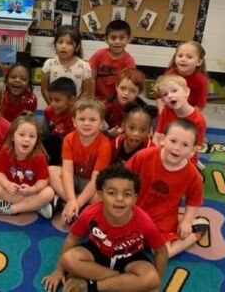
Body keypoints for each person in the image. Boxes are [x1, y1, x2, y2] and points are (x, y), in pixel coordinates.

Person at [42, 164, 167, 292]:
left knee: (152, 278)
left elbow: (161, 251)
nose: (119, 199)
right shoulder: (90, 214)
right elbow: (72, 239)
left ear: (135, 199)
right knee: (67, 259)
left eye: (127, 194)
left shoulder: (144, 221)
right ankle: (125, 282)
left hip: (130, 257)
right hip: (97, 250)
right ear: (100, 195)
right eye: (112, 193)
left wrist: (156, 284)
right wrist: (58, 270)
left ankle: (91, 286)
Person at [127, 120, 207, 258]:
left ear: (193, 151)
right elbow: (123, 176)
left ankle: (196, 233)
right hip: (134, 209)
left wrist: (187, 222)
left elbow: (193, 200)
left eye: (185, 145)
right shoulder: (144, 156)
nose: (177, 148)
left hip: (163, 218)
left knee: (163, 253)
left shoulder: (193, 175)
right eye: (173, 141)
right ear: (163, 139)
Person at [49, 99, 111, 223]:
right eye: (82, 119)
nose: (86, 123)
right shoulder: (69, 139)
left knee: (104, 197)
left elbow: (95, 180)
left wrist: (76, 201)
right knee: (50, 171)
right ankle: (75, 205)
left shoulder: (105, 144)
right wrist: (72, 200)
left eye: (92, 120)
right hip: (74, 178)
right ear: (74, 122)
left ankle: (69, 204)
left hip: (91, 182)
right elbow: (67, 172)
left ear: (101, 123)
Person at [0, 112, 55, 218]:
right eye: (22, 134)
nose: (26, 139)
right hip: (13, 192)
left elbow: (43, 180)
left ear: (36, 140)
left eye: (32, 136)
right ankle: (37, 206)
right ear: (12, 136)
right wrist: (7, 184)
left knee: (49, 192)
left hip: (31, 192)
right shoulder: (6, 151)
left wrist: (33, 189)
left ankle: (11, 208)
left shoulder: (39, 156)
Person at [153, 75, 206, 168]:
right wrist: (157, 155)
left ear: (186, 92)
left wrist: (175, 161)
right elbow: (157, 137)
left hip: (186, 157)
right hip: (165, 151)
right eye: (165, 94)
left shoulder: (198, 120)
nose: (170, 95)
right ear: (163, 101)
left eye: (174, 90)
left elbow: (194, 148)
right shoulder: (166, 111)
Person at [41, 25, 94, 103]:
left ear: (77, 47)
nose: (63, 46)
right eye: (60, 42)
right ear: (55, 44)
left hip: (74, 110)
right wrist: (52, 104)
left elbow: (86, 92)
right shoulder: (49, 64)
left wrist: (75, 108)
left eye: (69, 43)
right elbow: (44, 89)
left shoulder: (84, 67)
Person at [89, 20, 136, 101]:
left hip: (117, 99)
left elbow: (127, 85)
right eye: (113, 38)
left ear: (128, 39)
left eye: (122, 38)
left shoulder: (129, 61)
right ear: (106, 39)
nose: (117, 42)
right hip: (96, 98)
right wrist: (91, 97)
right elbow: (91, 77)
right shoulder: (99, 55)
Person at [160, 41, 208, 111]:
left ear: (199, 62)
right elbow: (159, 97)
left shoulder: (201, 80)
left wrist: (188, 116)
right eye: (180, 56)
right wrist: (162, 113)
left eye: (189, 57)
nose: (183, 59)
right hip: (169, 110)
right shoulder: (169, 75)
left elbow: (200, 105)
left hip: (189, 112)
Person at [42, 77, 76, 166]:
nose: (52, 104)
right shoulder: (49, 111)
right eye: (51, 99)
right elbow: (44, 132)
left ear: (71, 100)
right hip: (52, 148)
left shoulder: (78, 116)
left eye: (57, 100)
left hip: (71, 151)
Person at [104, 68, 147, 137]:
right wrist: (108, 133)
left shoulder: (143, 109)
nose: (126, 93)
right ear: (116, 87)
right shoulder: (107, 105)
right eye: (123, 88)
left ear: (139, 92)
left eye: (132, 91)